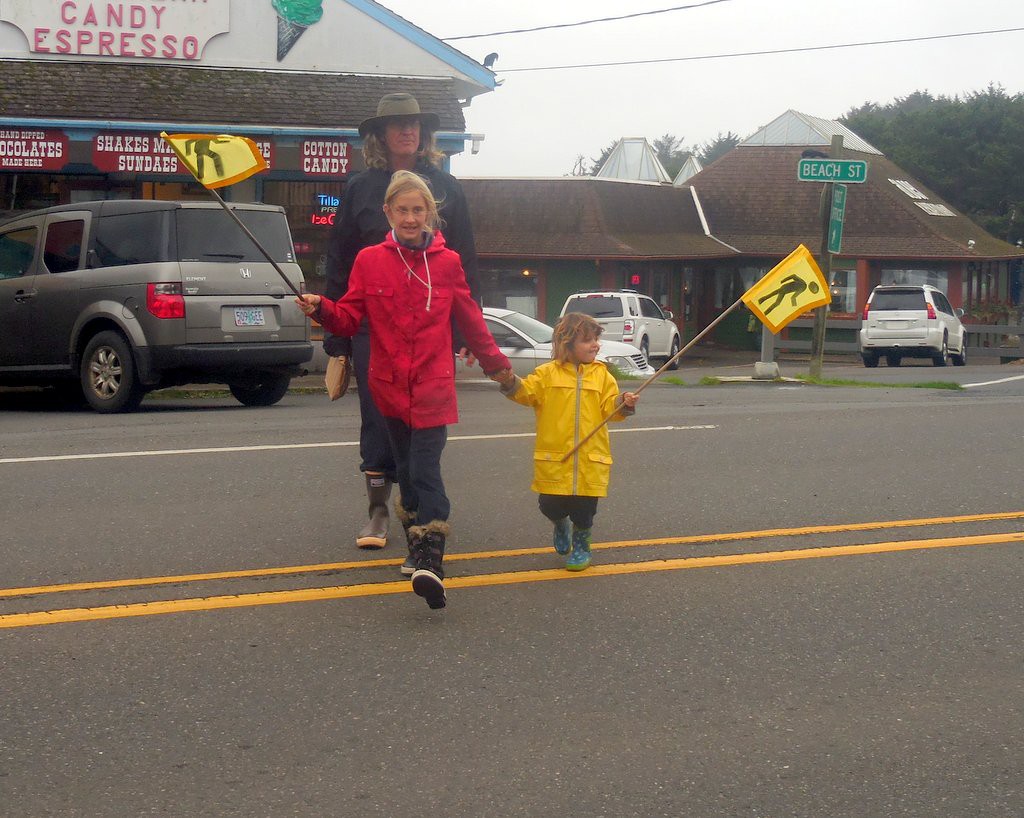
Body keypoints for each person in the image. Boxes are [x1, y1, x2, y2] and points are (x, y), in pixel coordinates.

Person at [297, 170, 510, 609]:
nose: (411, 218)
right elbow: (350, 316)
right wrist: (323, 309)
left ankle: (432, 556)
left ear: (430, 212)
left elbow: (470, 319)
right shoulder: (369, 260)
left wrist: (500, 369)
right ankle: (416, 546)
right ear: (388, 212)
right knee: (407, 471)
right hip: (387, 386)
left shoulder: (447, 264)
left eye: (419, 209)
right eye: (403, 210)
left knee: (426, 466)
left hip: (432, 387)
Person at [323, 92, 481, 552]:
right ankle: (377, 511)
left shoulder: (448, 188)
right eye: (396, 124)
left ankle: (421, 511)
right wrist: (337, 332)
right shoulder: (359, 188)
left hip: (429, 325)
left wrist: (468, 330)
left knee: (426, 421)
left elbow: (464, 260)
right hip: (373, 324)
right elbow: (339, 259)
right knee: (378, 415)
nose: (407, 131)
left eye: (413, 124)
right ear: (380, 135)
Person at [491, 313, 639, 571]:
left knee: (584, 510)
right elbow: (526, 393)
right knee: (549, 504)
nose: (595, 345)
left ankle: (582, 544)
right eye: (587, 340)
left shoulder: (603, 376)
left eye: (596, 339)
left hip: (590, 456)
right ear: (567, 344)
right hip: (555, 456)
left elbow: (609, 411)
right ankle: (560, 524)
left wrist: (622, 404)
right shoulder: (546, 374)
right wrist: (509, 382)